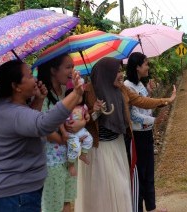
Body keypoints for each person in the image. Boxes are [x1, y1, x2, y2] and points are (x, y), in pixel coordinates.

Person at [75, 57, 176, 212]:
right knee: (103, 193)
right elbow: (78, 120)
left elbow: (141, 100)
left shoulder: (121, 89)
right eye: (117, 71)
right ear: (107, 74)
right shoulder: (87, 92)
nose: (121, 74)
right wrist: (93, 111)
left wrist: (166, 100)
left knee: (122, 189)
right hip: (99, 150)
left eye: (121, 70)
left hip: (118, 145)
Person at [0, 60, 84, 212]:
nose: (35, 79)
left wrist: (39, 99)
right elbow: (43, 124)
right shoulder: (12, 112)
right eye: (30, 76)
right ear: (16, 86)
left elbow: (30, 127)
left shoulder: (11, 107)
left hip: (19, 192)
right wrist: (76, 94)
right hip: (16, 194)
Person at [38, 54, 88, 212]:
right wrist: (63, 140)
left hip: (69, 159)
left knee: (67, 201)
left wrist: (81, 123)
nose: (72, 71)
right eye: (68, 67)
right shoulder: (42, 96)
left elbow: (75, 117)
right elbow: (43, 129)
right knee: (53, 206)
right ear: (53, 70)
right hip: (52, 162)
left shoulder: (65, 92)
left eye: (73, 66)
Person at [124, 52, 168, 212]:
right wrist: (155, 121)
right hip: (137, 136)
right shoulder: (128, 86)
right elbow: (134, 114)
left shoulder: (140, 85)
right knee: (140, 175)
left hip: (146, 133)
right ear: (137, 67)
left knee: (149, 172)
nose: (148, 67)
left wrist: (149, 92)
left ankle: (151, 207)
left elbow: (145, 104)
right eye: (146, 64)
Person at [64, 87, 93, 177]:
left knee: (89, 139)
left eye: (79, 96)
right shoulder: (67, 108)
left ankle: (83, 155)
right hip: (71, 133)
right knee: (75, 148)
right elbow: (62, 119)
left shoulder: (83, 107)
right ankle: (71, 164)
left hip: (81, 130)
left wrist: (87, 116)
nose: (77, 98)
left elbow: (86, 114)